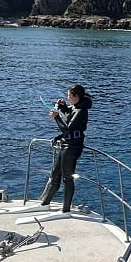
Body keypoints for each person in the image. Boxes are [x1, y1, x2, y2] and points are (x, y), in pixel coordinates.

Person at [39, 83, 92, 213]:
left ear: (76, 96)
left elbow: (68, 130)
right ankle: (45, 203)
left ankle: (66, 210)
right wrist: (62, 107)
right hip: (65, 145)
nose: (68, 98)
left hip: (73, 148)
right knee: (54, 175)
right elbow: (68, 116)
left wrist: (56, 117)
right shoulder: (74, 107)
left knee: (67, 178)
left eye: (69, 96)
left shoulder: (81, 111)